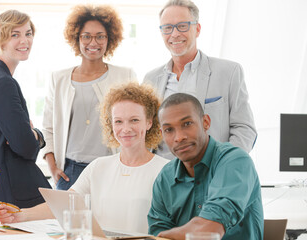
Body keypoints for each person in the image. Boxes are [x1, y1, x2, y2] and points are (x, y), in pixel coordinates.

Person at [0, 82, 169, 233]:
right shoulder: (98, 167)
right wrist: (19, 215)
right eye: (118, 121)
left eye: (134, 120)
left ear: (149, 122)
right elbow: (63, 206)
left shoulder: (166, 171)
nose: (126, 128)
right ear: (110, 124)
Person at [143, 0, 257, 160]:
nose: (174, 34)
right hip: (164, 173)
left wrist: (225, 164)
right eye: (168, 28)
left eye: (182, 26)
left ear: (197, 29)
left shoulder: (229, 72)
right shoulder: (151, 79)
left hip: (211, 170)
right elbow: (146, 132)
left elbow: (244, 128)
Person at [42, 4, 137, 190]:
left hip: (111, 168)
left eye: (100, 36)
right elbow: (48, 129)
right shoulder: (59, 79)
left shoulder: (125, 76)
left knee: (110, 220)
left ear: (109, 39)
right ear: (76, 38)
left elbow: (136, 124)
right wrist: (53, 168)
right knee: (69, 220)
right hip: (70, 172)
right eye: (86, 36)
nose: (93, 43)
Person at [148, 93, 263, 240]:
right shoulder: (165, 177)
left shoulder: (235, 161)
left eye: (187, 124)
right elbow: (157, 234)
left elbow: (209, 231)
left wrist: (167, 236)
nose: (179, 137)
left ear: (206, 122)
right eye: (169, 130)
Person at [0, 10, 51, 208]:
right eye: (14, 35)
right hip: (10, 193)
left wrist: (27, 134)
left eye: (28, 33)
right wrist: (35, 134)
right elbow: (25, 146)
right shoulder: (2, 83)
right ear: (1, 40)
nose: (24, 41)